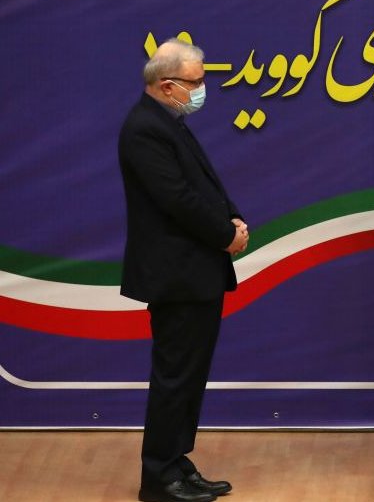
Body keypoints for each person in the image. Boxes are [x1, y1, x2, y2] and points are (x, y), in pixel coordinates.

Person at [119, 38, 247, 502]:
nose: (202, 89)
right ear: (167, 84)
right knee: (175, 377)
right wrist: (224, 234)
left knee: (190, 377)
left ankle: (177, 463)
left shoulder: (169, 121)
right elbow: (177, 199)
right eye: (195, 82)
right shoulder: (143, 129)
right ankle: (158, 479)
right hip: (177, 274)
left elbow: (204, 183)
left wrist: (231, 216)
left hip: (197, 272)